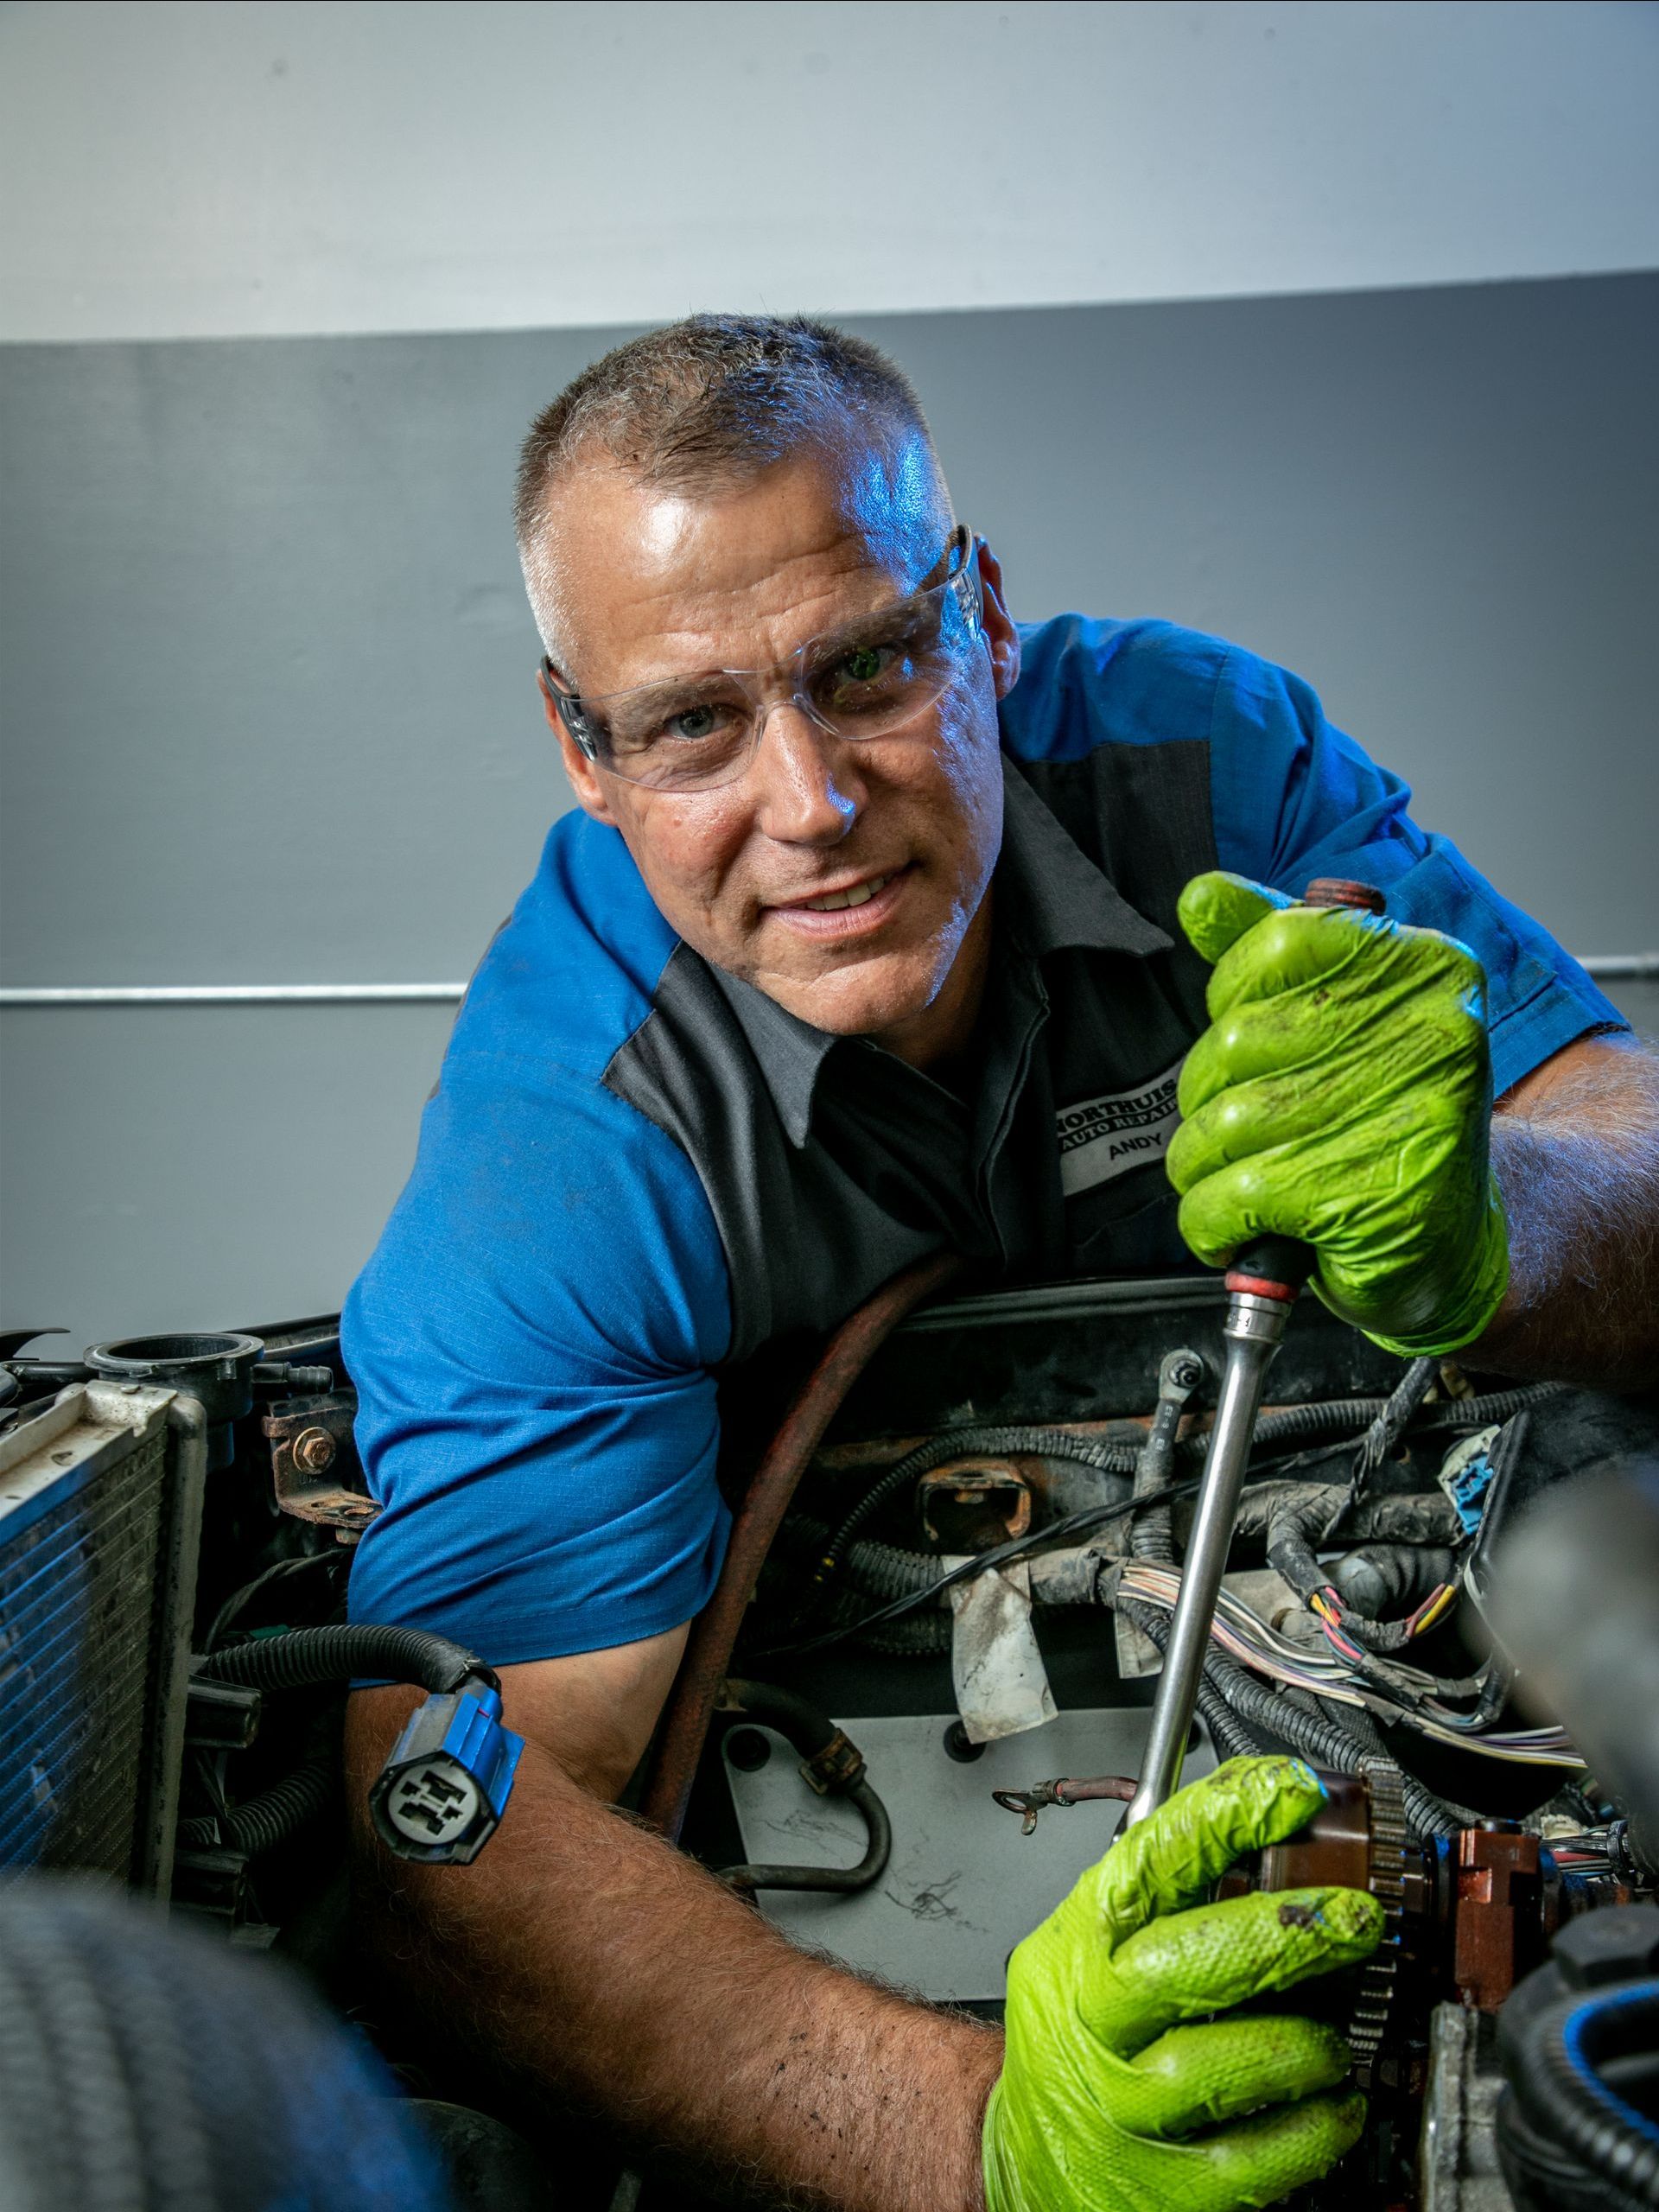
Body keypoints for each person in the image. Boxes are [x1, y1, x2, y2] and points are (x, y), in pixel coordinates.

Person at [342, 315, 1659, 2209]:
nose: (812, 804)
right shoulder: (570, 1143)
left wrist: (1498, 1207)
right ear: (584, 749)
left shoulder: (1207, 773)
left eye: (869, 665)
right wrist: (983, 2143)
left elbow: (1628, 1141)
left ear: (984, 620)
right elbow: (465, 1834)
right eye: (695, 723)